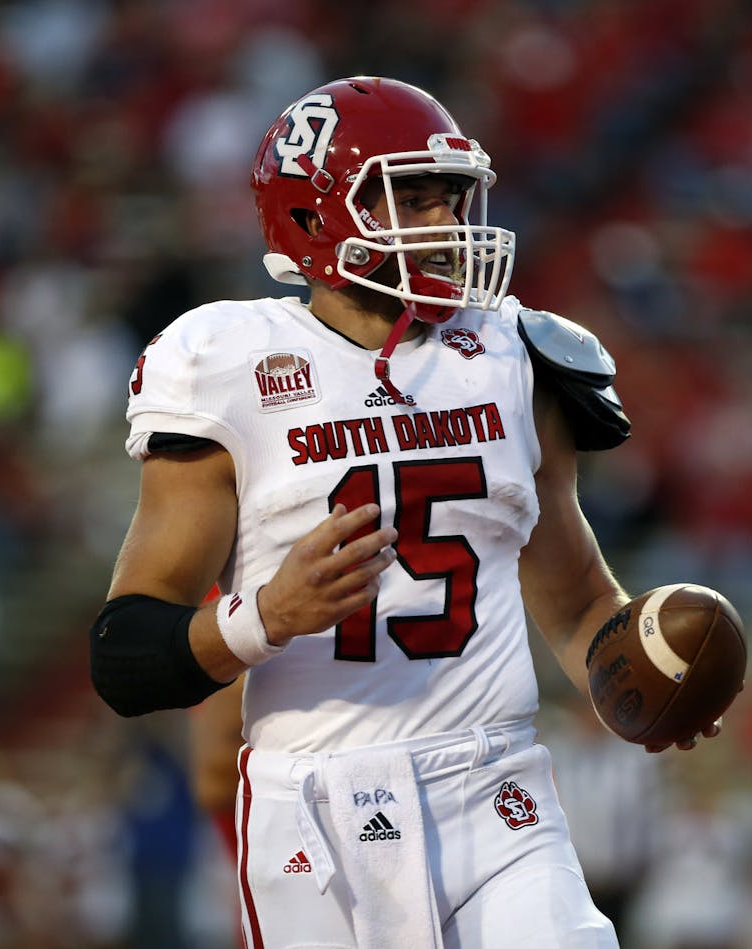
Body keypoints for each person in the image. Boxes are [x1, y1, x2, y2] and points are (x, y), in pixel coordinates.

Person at [89, 75, 717, 949]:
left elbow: (575, 601)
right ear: (313, 218)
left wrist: (639, 679)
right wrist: (263, 619)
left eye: (447, 198)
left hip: (494, 785)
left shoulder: (514, 355)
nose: (442, 226)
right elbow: (125, 654)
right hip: (310, 806)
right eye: (406, 199)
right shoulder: (229, 365)